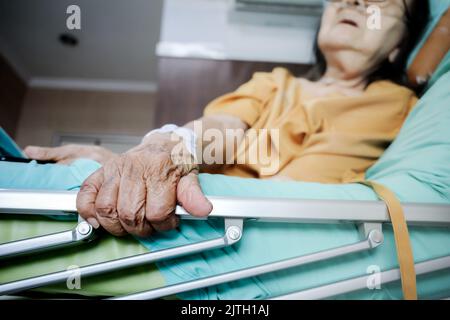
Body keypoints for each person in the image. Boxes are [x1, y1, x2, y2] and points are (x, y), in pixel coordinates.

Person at [24, 0, 429, 237]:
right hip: (202, 199)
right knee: (56, 168)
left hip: (231, 225)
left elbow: (293, 192)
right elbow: (221, 129)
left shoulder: (388, 102)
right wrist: (160, 148)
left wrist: (125, 168)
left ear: (398, 47)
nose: (353, 1)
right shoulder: (275, 81)